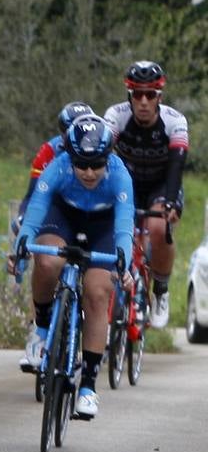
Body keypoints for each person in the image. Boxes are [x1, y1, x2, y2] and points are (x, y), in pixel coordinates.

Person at [14, 114, 134, 418]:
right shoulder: (57, 167)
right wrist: (24, 240)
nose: (90, 172)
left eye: (97, 164)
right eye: (82, 164)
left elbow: (123, 227)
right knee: (48, 260)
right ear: (70, 156)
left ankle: (88, 387)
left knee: (97, 291)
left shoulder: (120, 176)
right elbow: (37, 209)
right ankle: (41, 328)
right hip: (63, 216)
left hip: (104, 226)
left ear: (109, 157)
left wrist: (123, 261)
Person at [103, 61, 189, 329]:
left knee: (158, 226)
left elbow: (177, 165)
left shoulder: (175, 121)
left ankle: (160, 291)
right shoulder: (115, 116)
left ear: (159, 97)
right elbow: (101, 156)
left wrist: (172, 202)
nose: (143, 101)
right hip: (127, 184)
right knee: (113, 233)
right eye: (137, 94)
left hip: (161, 186)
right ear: (129, 95)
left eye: (150, 95)